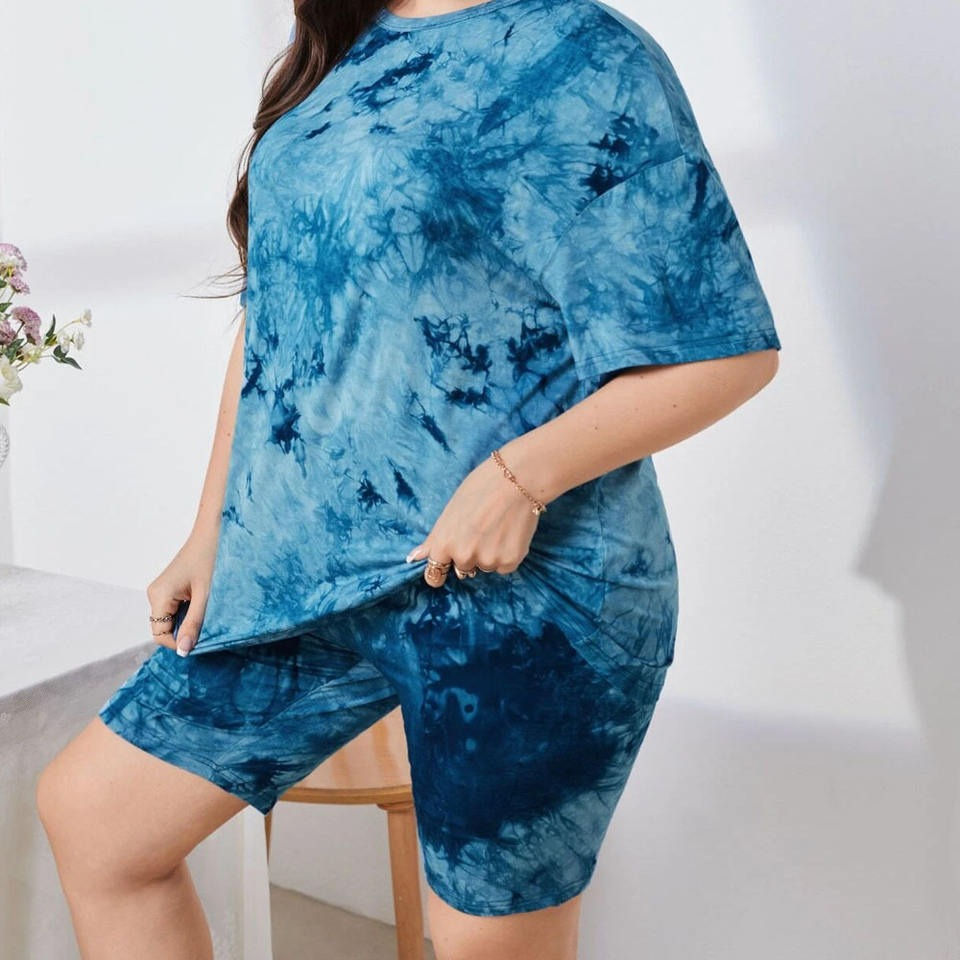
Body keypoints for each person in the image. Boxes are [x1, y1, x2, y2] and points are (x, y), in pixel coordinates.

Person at [36, 1, 782, 957]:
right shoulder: (341, 49)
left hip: (521, 597)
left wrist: (520, 477)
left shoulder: (582, 51)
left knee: (478, 945)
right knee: (96, 819)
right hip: (305, 577)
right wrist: (213, 526)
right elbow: (279, 314)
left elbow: (725, 353)